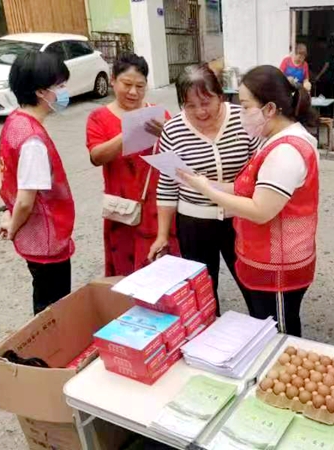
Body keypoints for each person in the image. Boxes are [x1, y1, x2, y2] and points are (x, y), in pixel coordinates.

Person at [175, 65, 319, 337]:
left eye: (245, 106)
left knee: (279, 334)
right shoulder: (272, 139)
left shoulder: (286, 151)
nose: (240, 113)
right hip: (268, 258)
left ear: (270, 108)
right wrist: (203, 183)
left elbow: (260, 210)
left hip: (279, 264)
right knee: (265, 327)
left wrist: (208, 191)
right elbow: (250, 189)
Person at [149, 64, 259, 314]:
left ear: (220, 95)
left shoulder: (242, 119)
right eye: (190, 105)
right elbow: (167, 185)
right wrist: (162, 235)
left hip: (240, 217)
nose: (200, 111)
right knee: (203, 292)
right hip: (194, 223)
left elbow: (259, 168)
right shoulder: (173, 130)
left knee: (253, 286)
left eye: (206, 102)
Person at [86, 53, 179, 277]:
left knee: (161, 270)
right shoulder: (99, 117)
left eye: (140, 86)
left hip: (158, 207)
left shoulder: (158, 114)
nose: (133, 92)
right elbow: (96, 156)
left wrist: (168, 135)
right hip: (123, 209)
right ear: (113, 80)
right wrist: (128, 132)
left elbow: (177, 156)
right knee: (126, 272)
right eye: (127, 84)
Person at [0, 51, 75, 315]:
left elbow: (3, 172)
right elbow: (25, 199)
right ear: (41, 92)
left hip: (37, 237)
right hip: (46, 241)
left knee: (43, 299)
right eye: (60, 86)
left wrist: (9, 214)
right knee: (52, 312)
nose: (64, 91)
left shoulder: (15, 120)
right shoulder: (33, 141)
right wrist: (13, 226)